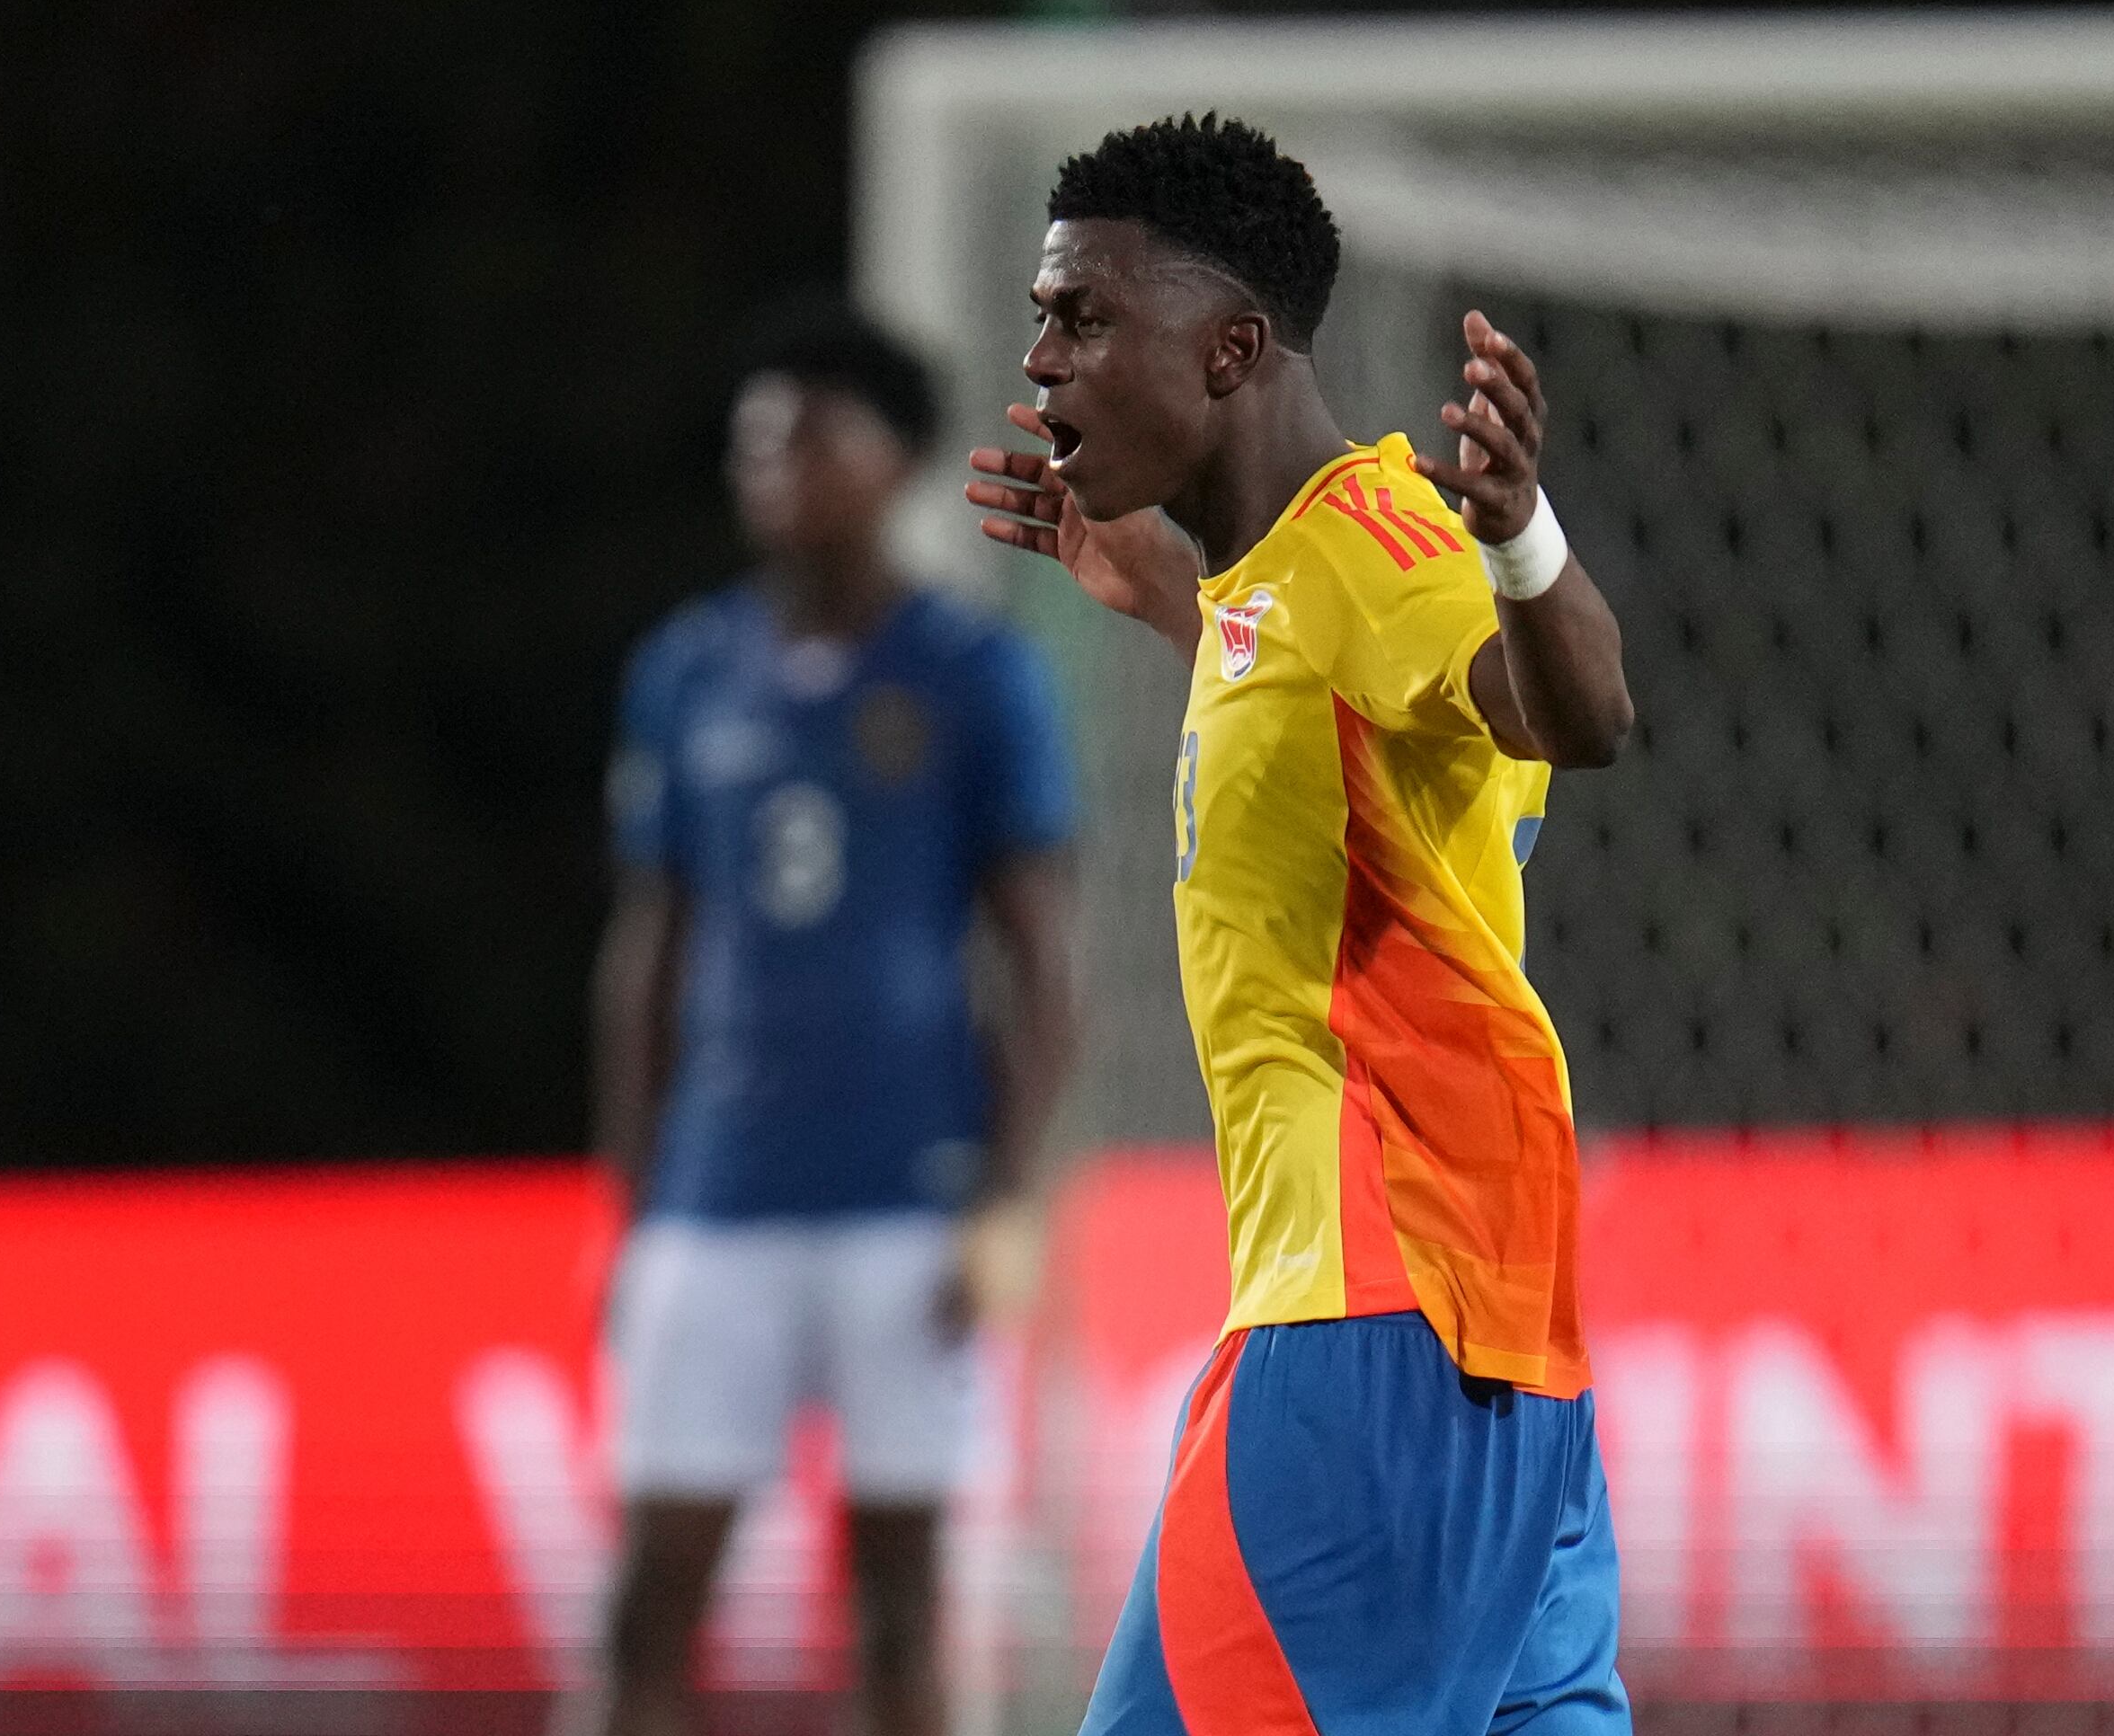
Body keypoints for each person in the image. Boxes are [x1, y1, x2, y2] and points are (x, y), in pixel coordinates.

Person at [960, 115, 1637, 1736]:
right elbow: (1365, 735)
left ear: (1231, 348)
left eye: (1085, 318)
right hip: (1484, 1338)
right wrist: (1168, 601)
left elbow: (1583, 712)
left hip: (1374, 1324)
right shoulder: (1293, 585)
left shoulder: (1378, 547)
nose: (1043, 362)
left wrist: (1526, 536)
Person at [592, 296, 1080, 1736]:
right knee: (648, 1602)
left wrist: (1005, 1199)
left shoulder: (974, 673)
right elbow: (650, 950)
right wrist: (632, 1199)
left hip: (907, 1203)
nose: (774, 471)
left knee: (901, 1608)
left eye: (809, 441)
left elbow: (1043, 962)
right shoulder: (686, 672)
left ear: (899, 461)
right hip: (719, 1199)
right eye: (755, 447)